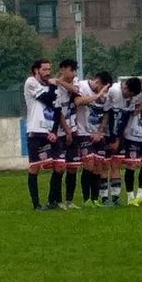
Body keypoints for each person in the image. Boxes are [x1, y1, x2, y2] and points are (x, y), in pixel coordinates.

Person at [23, 59, 62, 211]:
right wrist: (52, 86)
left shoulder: (52, 87)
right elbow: (46, 99)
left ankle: (52, 201)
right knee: (35, 168)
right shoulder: (31, 82)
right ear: (36, 70)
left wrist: (54, 131)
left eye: (49, 69)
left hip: (49, 132)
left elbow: (57, 110)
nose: (48, 72)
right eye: (44, 70)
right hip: (35, 131)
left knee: (59, 166)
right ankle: (36, 204)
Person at [99, 76, 141, 206]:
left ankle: (116, 198)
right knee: (105, 164)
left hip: (119, 133)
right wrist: (114, 139)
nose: (130, 97)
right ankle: (104, 198)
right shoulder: (116, 92)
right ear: (126, 87)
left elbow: (126, 117)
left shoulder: (133, 96)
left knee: (116, 163)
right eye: (130, 94)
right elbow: (114, 118)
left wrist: (120, 137)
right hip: (107, 131)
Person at [74, 71, 112, 208]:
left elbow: (106, 114)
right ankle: (86, 199)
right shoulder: (82, 86)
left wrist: (100, 131)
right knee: (89, 164)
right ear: (97, 81)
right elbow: (77, 101)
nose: (104, 91)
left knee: (98, 166)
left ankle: (95, 199)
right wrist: (97, 95)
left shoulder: (105, 94)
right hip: (83, 132)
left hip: (98, 134)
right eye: (103, 87)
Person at [52, 60, 81, 209]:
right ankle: (57, 200)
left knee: (73, 167)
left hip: (74, 129)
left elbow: (76, 90)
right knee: (59, 167)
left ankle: (70, 201)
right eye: (72, 70)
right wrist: (67, 131)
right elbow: (59, 113)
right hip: (60, 132)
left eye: (75, 70)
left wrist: (62, 82)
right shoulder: (54, 87)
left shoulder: (73, 81)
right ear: (63, 69)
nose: (74, 73)